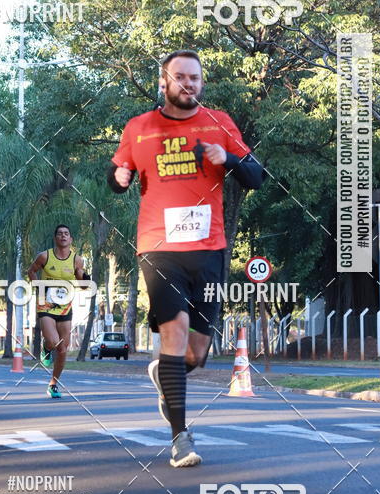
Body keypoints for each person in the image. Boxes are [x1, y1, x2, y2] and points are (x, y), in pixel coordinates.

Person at [109, 50, 264, 467]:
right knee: (174, 331)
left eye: (194, 78)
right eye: (180, 78)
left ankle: (166, 373)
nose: (188, 84)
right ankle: (181, 437)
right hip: (159, 249)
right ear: (164, 83)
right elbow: (117, 176)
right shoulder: (138, 128)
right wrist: (119, 176)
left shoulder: (219, 123)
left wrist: (227, 159)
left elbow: (257, 176)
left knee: (196, 353)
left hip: (209, 250)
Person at [27, 224, 86, 399]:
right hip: (45, 305)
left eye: (66, 234)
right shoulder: (44, 256)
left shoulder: (77, 260)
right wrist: (38, 287)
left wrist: (85, 279)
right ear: (55, 238)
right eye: (60, 234)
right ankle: (45, 347)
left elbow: (81, 282)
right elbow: (31, 271)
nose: (63, 236)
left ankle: (53, 384)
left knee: (62, 348)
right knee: (53, 342)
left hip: (66, 307)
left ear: (71, 239)